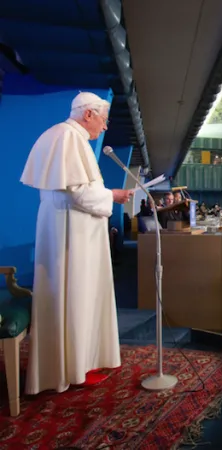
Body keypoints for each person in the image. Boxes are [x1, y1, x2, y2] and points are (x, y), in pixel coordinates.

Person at [20, 92, 133, 394]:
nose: (105, 127)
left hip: (66, 227)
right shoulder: (70, 138)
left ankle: (77, 363)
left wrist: (107, 192)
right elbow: (81, 195)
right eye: (104, 120)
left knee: (72, 296)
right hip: (72, 233)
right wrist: (114, 195)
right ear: (88, 115)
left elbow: (76, 188)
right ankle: (73, 368)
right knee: (75, 295)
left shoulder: (61, 135)